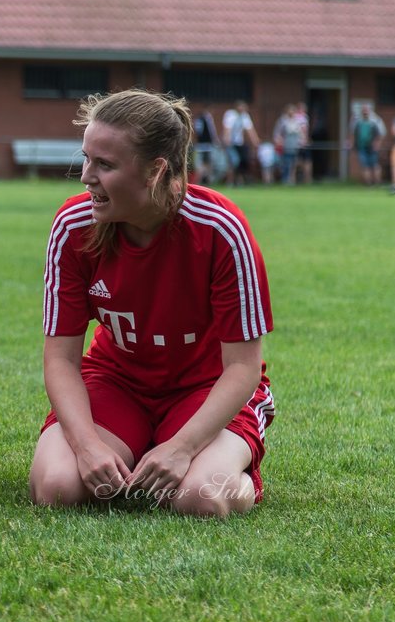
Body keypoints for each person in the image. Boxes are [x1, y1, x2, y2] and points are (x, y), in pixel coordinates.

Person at [29, 88, 275, 517]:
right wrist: (87, 447)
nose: (86, 176)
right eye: (86, 158)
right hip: (118, 382)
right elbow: (62, 360)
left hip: (206, 387)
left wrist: (182, 449)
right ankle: (134, 445)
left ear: (155, 170)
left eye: (104, 165)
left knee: (200, 497)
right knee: (58, 487)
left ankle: (237, 471)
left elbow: (243, 368)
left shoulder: (220, 229)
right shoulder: (73, 225)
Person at [221, 100, 258, 186]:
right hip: (230, 143)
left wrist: (255, 141)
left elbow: (250, 130)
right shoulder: (230, 114)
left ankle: (239, 181)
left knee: (242, 162)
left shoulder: (245, 116)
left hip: (239, 143)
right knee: (234, 161)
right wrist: (226, 139)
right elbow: (227, 128)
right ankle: (229, 182)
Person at [350, 104, 384, 186]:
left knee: (375, 165)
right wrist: (352, 145)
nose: (365, 112)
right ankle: (368, 184)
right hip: (361, 147)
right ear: (362, 111)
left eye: (366, 110)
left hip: (372, 148)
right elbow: (353, 134)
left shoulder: (374, 122)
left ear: (369, 111)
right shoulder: (357, 122)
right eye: (364, 110)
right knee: (365, 166)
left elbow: (380, 135)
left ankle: (377, 183)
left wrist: (377, 145)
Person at [191, 103, 225, 184]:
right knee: (206, 164)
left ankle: (204, 181)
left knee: (205, 164)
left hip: (202, 145)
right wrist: (215, 140)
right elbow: (210, 132)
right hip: (206, 145)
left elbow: (198, 131)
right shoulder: (206, 118)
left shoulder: (199, 118)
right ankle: (203, 181)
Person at [272, 103, 304, 185]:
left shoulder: (297, 121)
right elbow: (277, 133)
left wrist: (302, 141)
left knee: (294, 163)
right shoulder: (283, 121)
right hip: (286, 146)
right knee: (286, 163)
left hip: (295, 146)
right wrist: (279, 141)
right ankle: (285, 180)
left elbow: (301, 133)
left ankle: (292, 180)